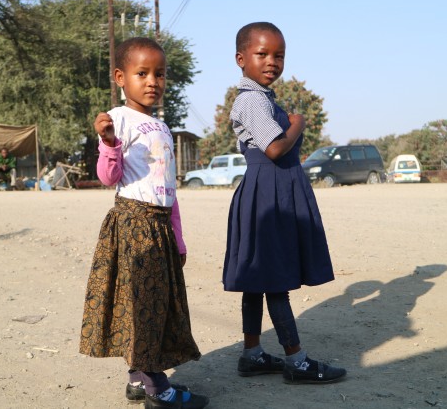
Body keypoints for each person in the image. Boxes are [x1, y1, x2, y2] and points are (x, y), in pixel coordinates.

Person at [79, 37, 208, 409]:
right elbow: (109, 176)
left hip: (160, 227)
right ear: (121, 77)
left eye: (160, 74)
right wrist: (108, 142)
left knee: (155, 305)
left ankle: (138, 379)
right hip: (134, 226)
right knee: (144, 308)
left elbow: (170, 191)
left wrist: (178, 239)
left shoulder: (162, 127)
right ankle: (157, 389)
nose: (153, 81)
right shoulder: (118, 119)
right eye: (142, 73)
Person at [223, 22, 347, 385]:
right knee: (275, 278)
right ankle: (297, 360)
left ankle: (252, 354)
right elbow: (275, 148)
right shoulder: (251, 100)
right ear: (241, 59)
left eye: (279, 55)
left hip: (269, 191)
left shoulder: (262, 98)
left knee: (257, 279)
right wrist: (298, 123)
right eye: (262, 54)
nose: (272, 62)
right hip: (268, 194)